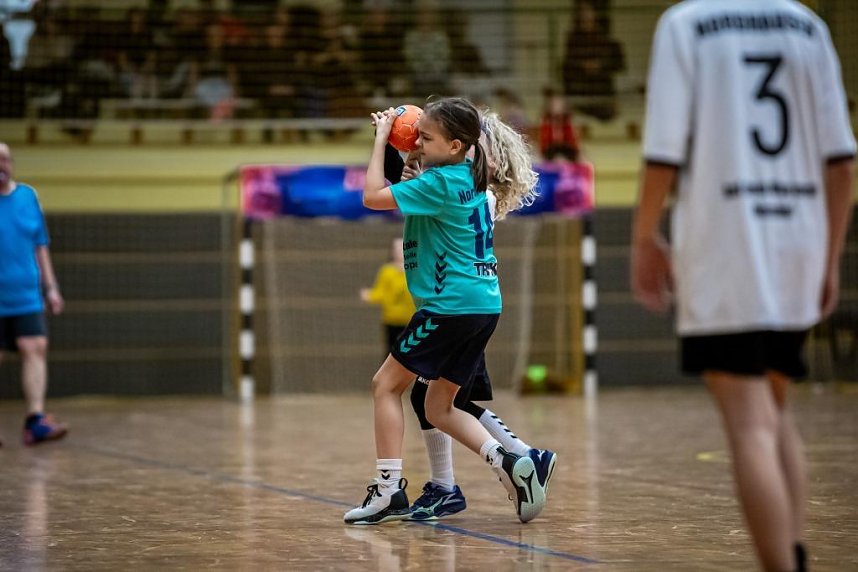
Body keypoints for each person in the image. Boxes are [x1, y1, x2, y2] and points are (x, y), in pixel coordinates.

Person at [631, 2, 855, 571]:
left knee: (750, 423)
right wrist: (828, 260)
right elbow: (842, 163)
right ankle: (795, 553)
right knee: (776, 408)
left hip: (727, 246)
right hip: (798, 244)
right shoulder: (808, 24)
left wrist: (643, 236)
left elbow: (663, 153)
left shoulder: (687, 24)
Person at [344, 98, 549, 525]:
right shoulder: (466, 181)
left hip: (449, 307)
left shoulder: (439, 185)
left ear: (457, 145)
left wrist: (383, 136)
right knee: (438, 405)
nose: (417, 142)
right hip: (481, 306)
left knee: (385, 386)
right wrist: (407, 147)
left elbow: (371, 196)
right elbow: (406, 180)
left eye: (426, 137)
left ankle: (388, 491)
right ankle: (510, 461)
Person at [0, 142, 68, 447]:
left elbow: (41, 245)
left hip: (26, 295)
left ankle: (35, 421)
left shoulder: (28, 197)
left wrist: (51, 287)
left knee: (35, 347)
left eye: (4, 159)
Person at [561, 0, 624, 122]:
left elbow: (618, 65)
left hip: (602, 90)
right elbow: (567, 66)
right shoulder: (573, 40)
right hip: (580, 89)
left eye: (588, 12)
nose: (585, 16)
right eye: (582, 12)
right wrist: (583, 66)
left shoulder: (607, 41)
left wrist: (600, 65)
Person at [360, 237, 416, 357]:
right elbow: (380, 292)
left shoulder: (414, 269)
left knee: (410, 352)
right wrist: (370, 295)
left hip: (410, 319)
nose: (399, 251)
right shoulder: (387, 271)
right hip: (391, 319)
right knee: (391, 351)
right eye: (396, 248)